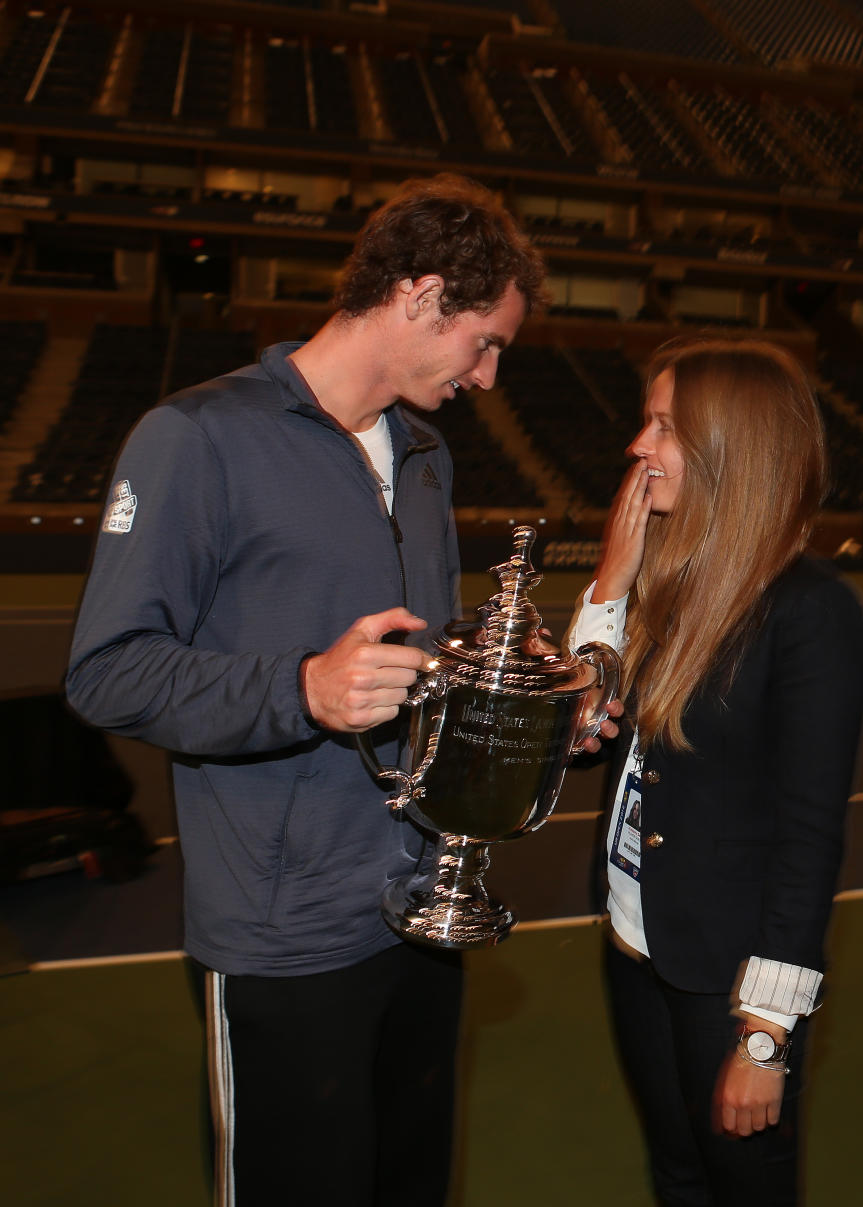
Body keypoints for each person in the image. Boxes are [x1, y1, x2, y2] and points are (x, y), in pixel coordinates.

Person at [65, 173, 546, 1207]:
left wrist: (513, 685)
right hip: (285, 928)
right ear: (421, 297)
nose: (491, 375)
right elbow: (108, 668)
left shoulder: (424, 454)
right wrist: (303, 689)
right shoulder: (197, 437)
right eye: (485, 342)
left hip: (422, 906)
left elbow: (414, 662)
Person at [567, 336, 863, 1206]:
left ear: (727, 448)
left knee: (745, 1191)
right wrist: (612, 584)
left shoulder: (811, 613)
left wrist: (765, 1037)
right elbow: (575, 728)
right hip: (636, 943)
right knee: (676, 1173)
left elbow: (809, 842)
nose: (638, 445)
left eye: (664, 426)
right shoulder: (672, 580)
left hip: (730, 986)